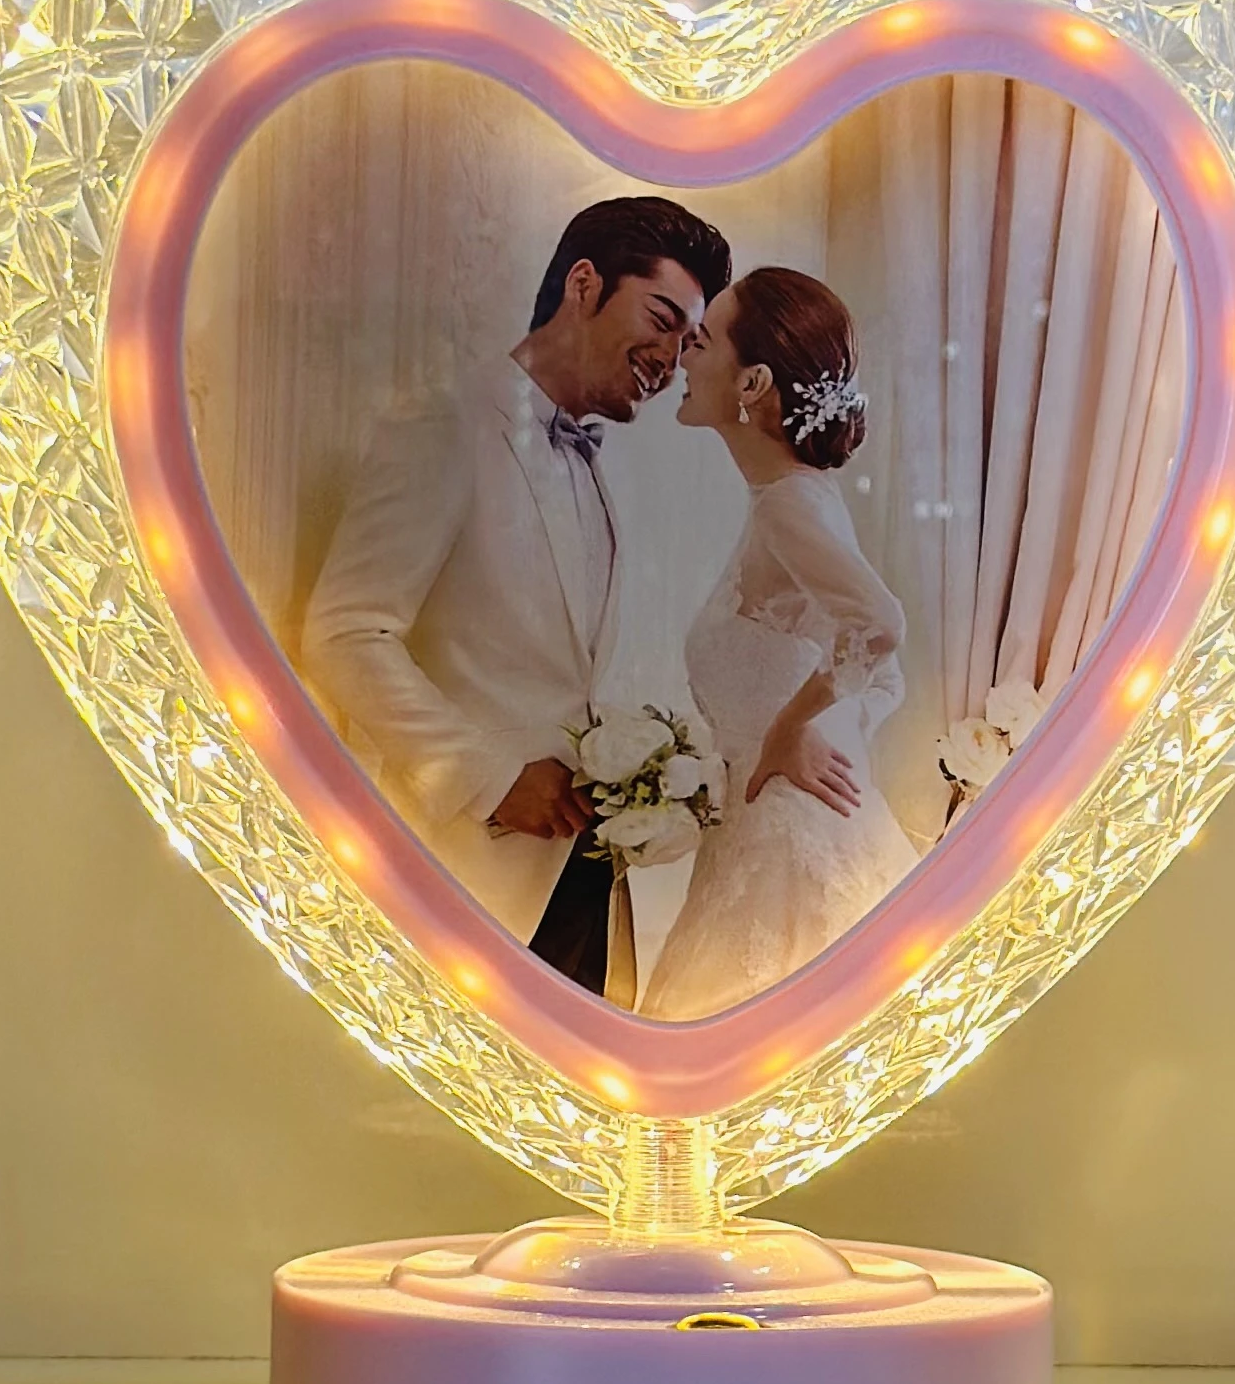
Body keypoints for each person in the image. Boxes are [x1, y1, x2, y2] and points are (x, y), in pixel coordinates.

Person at [301, 196, 731, 998]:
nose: (672, 360)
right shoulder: (445, 421)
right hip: (463, 874)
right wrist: (491, 776)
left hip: (589, 878)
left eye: (688, 342)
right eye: (662, 319)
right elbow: (345, 635)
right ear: (583, 283)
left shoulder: (608, 470)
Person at [639, 267, 918, 1021]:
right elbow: (880, 676)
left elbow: (880, 626)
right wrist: (823, 727)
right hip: (766, 834)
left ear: (753, 382)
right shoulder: (793, 498)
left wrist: (791, 727)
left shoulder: (790, 505)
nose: (682, 354)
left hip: (788, 850)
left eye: (700, 342)